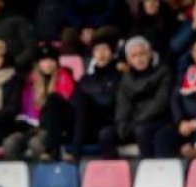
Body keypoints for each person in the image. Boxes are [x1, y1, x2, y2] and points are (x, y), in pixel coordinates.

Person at [107, 36, 174, 159]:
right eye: (134, 56)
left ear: (150, 54)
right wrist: (122, 123)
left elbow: (160, 102)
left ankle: (147, 169)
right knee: (106, 135)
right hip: (133, 124)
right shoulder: (126, 78)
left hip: (156, 122)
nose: (139, 59)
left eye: (142, 54)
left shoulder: (163, 72)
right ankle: (114, 174)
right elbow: (123, 103)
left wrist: (137, 121)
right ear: (128, 60)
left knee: (142, 131)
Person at [69, 33, 120, 161]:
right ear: (93, 54)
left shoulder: (119, 77)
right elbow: (73, 104)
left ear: (112, 52)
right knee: (55, 99)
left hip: (107, 124)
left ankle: (75, 152)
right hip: (85, 126)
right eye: (97, 50)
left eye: (105, 49)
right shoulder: (85, 79)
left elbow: (110, 103)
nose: (101, 53)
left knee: (83, 100)